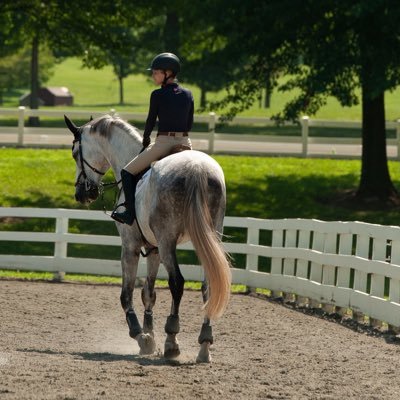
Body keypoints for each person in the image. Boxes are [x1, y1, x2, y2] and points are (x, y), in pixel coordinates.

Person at [111, 52, 194, 225]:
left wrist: (147, 138)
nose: (153, 75)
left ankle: (129, 212)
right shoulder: (188, 94)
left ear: (167, 73)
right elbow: (189, 123)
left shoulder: (157, 95)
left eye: (156, 72)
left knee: (127, 172)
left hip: (164, 143)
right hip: (186, 143)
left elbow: (150, 120)